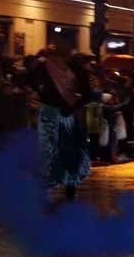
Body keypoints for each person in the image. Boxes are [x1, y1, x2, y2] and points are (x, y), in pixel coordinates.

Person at [28, 37, 92, 201]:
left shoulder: (75, 69)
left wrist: (70, 108)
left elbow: (87, 95)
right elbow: (31, 82)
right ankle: (55, 184)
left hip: (65, 114)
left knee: (65, 150)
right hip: (55, 113)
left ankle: (68, 185)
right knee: (50, 150)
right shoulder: (43, 68)